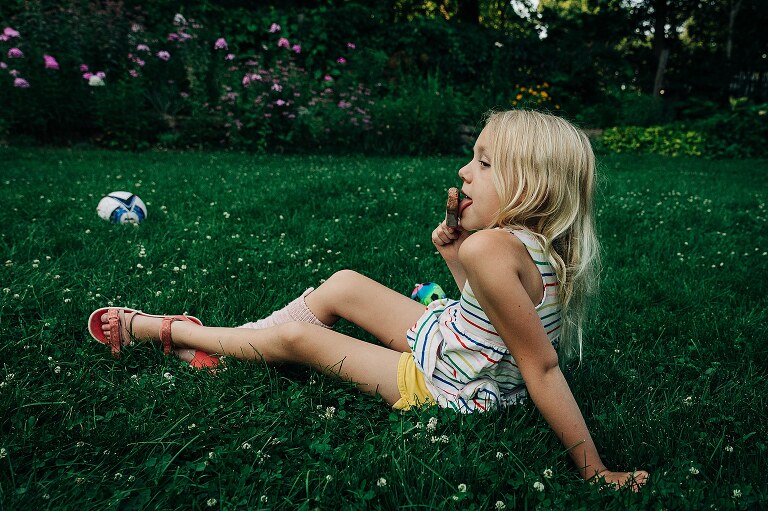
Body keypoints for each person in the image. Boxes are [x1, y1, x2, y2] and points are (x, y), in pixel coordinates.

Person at [88, 109, 648, 490]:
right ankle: (245, 342)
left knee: (301, 338)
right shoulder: (531, 244)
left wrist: (593, 469)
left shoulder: (494, 248)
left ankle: (170, 330)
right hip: (454, 340)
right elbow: (491, 316)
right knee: (345, 283)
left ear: (532, 183)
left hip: (453, 387)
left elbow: (542, 367)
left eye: (483, 161)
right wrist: (453, 254)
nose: (463, 171)